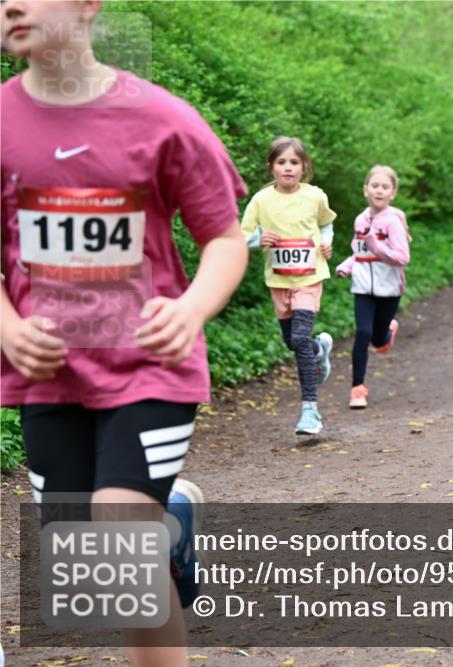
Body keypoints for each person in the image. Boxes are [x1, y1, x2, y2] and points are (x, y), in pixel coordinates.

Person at [0, 1, 248, 664]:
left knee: (117, 533)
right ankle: (173, 526)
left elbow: (224, 238)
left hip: (149, 366)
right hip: (51, 377)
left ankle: (148, 525)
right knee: (94, 573)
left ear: (87, 5)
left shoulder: (161, 119)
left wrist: (192, 308)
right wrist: (9, 326)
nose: (10, 5)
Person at [242, 137, 336, 434]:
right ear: (271, 167)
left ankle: (311, 411)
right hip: (279, 279)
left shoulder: (315, 196)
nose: (288, 168)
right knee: (292, 342)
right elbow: (240, 236)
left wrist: (326, 242)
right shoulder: (260, 200)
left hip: (309, 277)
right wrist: (259, 240)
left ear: (304, 166)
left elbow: (326, 224)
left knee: (298, 338)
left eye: (294, 162)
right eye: (281, 162)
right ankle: (318, 348)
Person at [335, 166, 409, 409]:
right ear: (365, 189)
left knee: (377, 340)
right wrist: (346, 265)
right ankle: (357, 388)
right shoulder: (360, 219)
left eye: (385, 187)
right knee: (363, 333)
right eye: (375, 186)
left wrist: (376, 245)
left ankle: (387, 333)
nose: (379, 190)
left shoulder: (393, 222)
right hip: (363, 287)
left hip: (389, 289)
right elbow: (358, 252)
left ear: (393, 193)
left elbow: (402, 257)